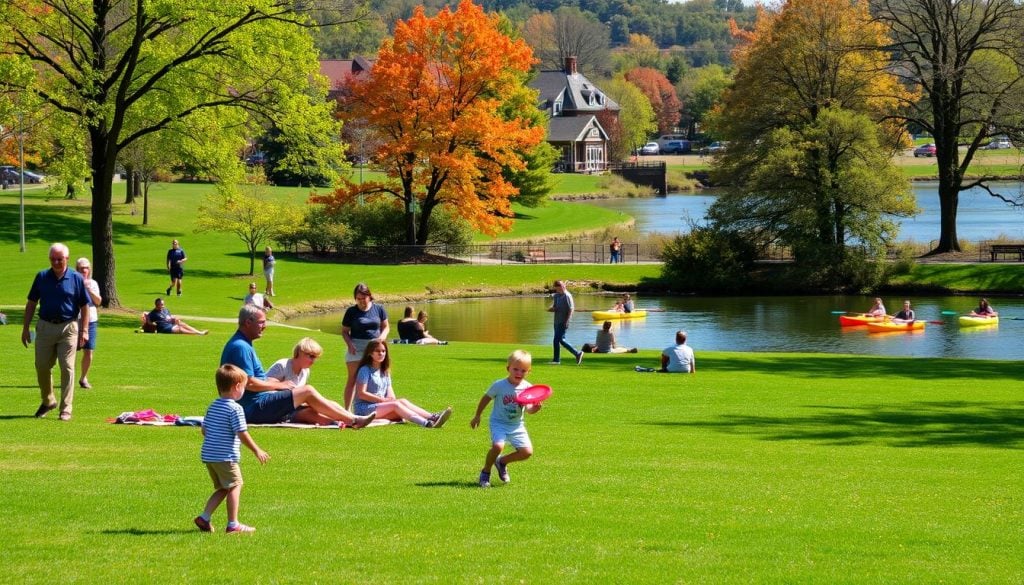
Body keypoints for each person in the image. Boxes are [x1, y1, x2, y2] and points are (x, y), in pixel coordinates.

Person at [222, 306, 375, 428]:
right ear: (248, 322)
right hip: (253, 408)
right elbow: (249, 383)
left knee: (317, 401)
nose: (265, 326)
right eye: (261, 322)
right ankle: (353, 420)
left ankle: (350, 419)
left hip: (256, 405)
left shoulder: (243, 344)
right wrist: (281, 385)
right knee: (307, 391)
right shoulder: (240, 347)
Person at [194, 364, 269, 534]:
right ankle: (233, 524)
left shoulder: (213, 405)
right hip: (225, 457)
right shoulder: (235, 408)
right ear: (237, 387)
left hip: (209, 456)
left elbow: (204, 430)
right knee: (236, 485)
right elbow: (242, 433)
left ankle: (204, 518)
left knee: (223, 487)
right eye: (243, 386)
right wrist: (257, 450)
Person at [22, 243, 90, 421]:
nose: (56, 262)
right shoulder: (42, 276)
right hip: (45, 327)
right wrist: (25, 328)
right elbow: (31, 303)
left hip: (69, 327)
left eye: (59, 259)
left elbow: (85, 306)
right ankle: (48, 400)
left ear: (67, 259)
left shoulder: (76, 278)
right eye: (53, 259)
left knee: (67, 368)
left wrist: (84, 331)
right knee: (42, 366)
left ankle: (66, 408)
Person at [470, 349, 541, 488]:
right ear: (508, 368)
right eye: (516, 369)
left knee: (527, 452)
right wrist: (477, 415)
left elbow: (529, 410)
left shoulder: (528, 388)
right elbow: (486, 398)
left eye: (523, 370)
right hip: (499, 423)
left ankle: (502, 462)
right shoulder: (499, 385)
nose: (519, 373)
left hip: (517, 425)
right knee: (498, 446)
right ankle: (485, 472)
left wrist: (536, 409)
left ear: (529, 371)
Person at [352, 340, 452, 428]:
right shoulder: (365, 370)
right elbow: (361, 393)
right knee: (396, 405)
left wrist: (390, 400)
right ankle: (426, 423)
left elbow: (390, 391)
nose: (381, 354)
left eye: (383, 351)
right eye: (378, 351)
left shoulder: (384, 371)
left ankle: (433, 417)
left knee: (401, 402)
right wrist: (383, 400)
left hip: (379, 406)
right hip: (364, 408)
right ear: (370, 353)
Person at [342, 283, 390, 409]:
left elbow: (386, 327)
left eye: (364, 298)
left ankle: (386, 404)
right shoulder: (351, 311)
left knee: (382, 375)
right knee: (352, 379)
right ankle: (347, 411)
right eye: (358, 299)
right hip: (357, 347)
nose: (361, 301)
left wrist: (381, 339)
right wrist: (350, 344)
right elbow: (345, 331)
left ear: (369, 296)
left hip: (375, 347)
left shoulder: (378, 309)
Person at [75, 257, 102, 389]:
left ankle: (83, 378)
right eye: (81, 268)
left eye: (86, 268)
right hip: (75, 321)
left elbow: (98, 302)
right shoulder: (72, 282)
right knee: (70, 351)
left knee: (89, 351)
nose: (84, 271)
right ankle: (67, 377)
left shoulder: (93, 283)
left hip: (91, 320)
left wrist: (88, 288)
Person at [547, 280, 583, 366]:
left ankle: (575, 353)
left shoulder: (567, 296)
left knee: (558, 340)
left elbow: (571, 309)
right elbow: (555, 307)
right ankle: (558, 359)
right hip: (556, 321)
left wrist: (567, 321)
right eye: (559, 287)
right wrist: (552, 309)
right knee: (559, 340)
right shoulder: (556, 296)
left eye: (563, 286)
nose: (562, 288)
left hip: (563, 321)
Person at [142, 298, 208, 335]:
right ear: (157, 305)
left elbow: (170, 318)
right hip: (163, 329)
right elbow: (149, 322)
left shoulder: (165, 310)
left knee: (183, 324)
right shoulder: (153, 313)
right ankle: (197, 334)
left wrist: (175, 319)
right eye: (161, 305)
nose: (163, 306)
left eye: (163, 304)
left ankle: (199, 332)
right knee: (180, 329)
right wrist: (147, 318)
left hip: (170, 325)